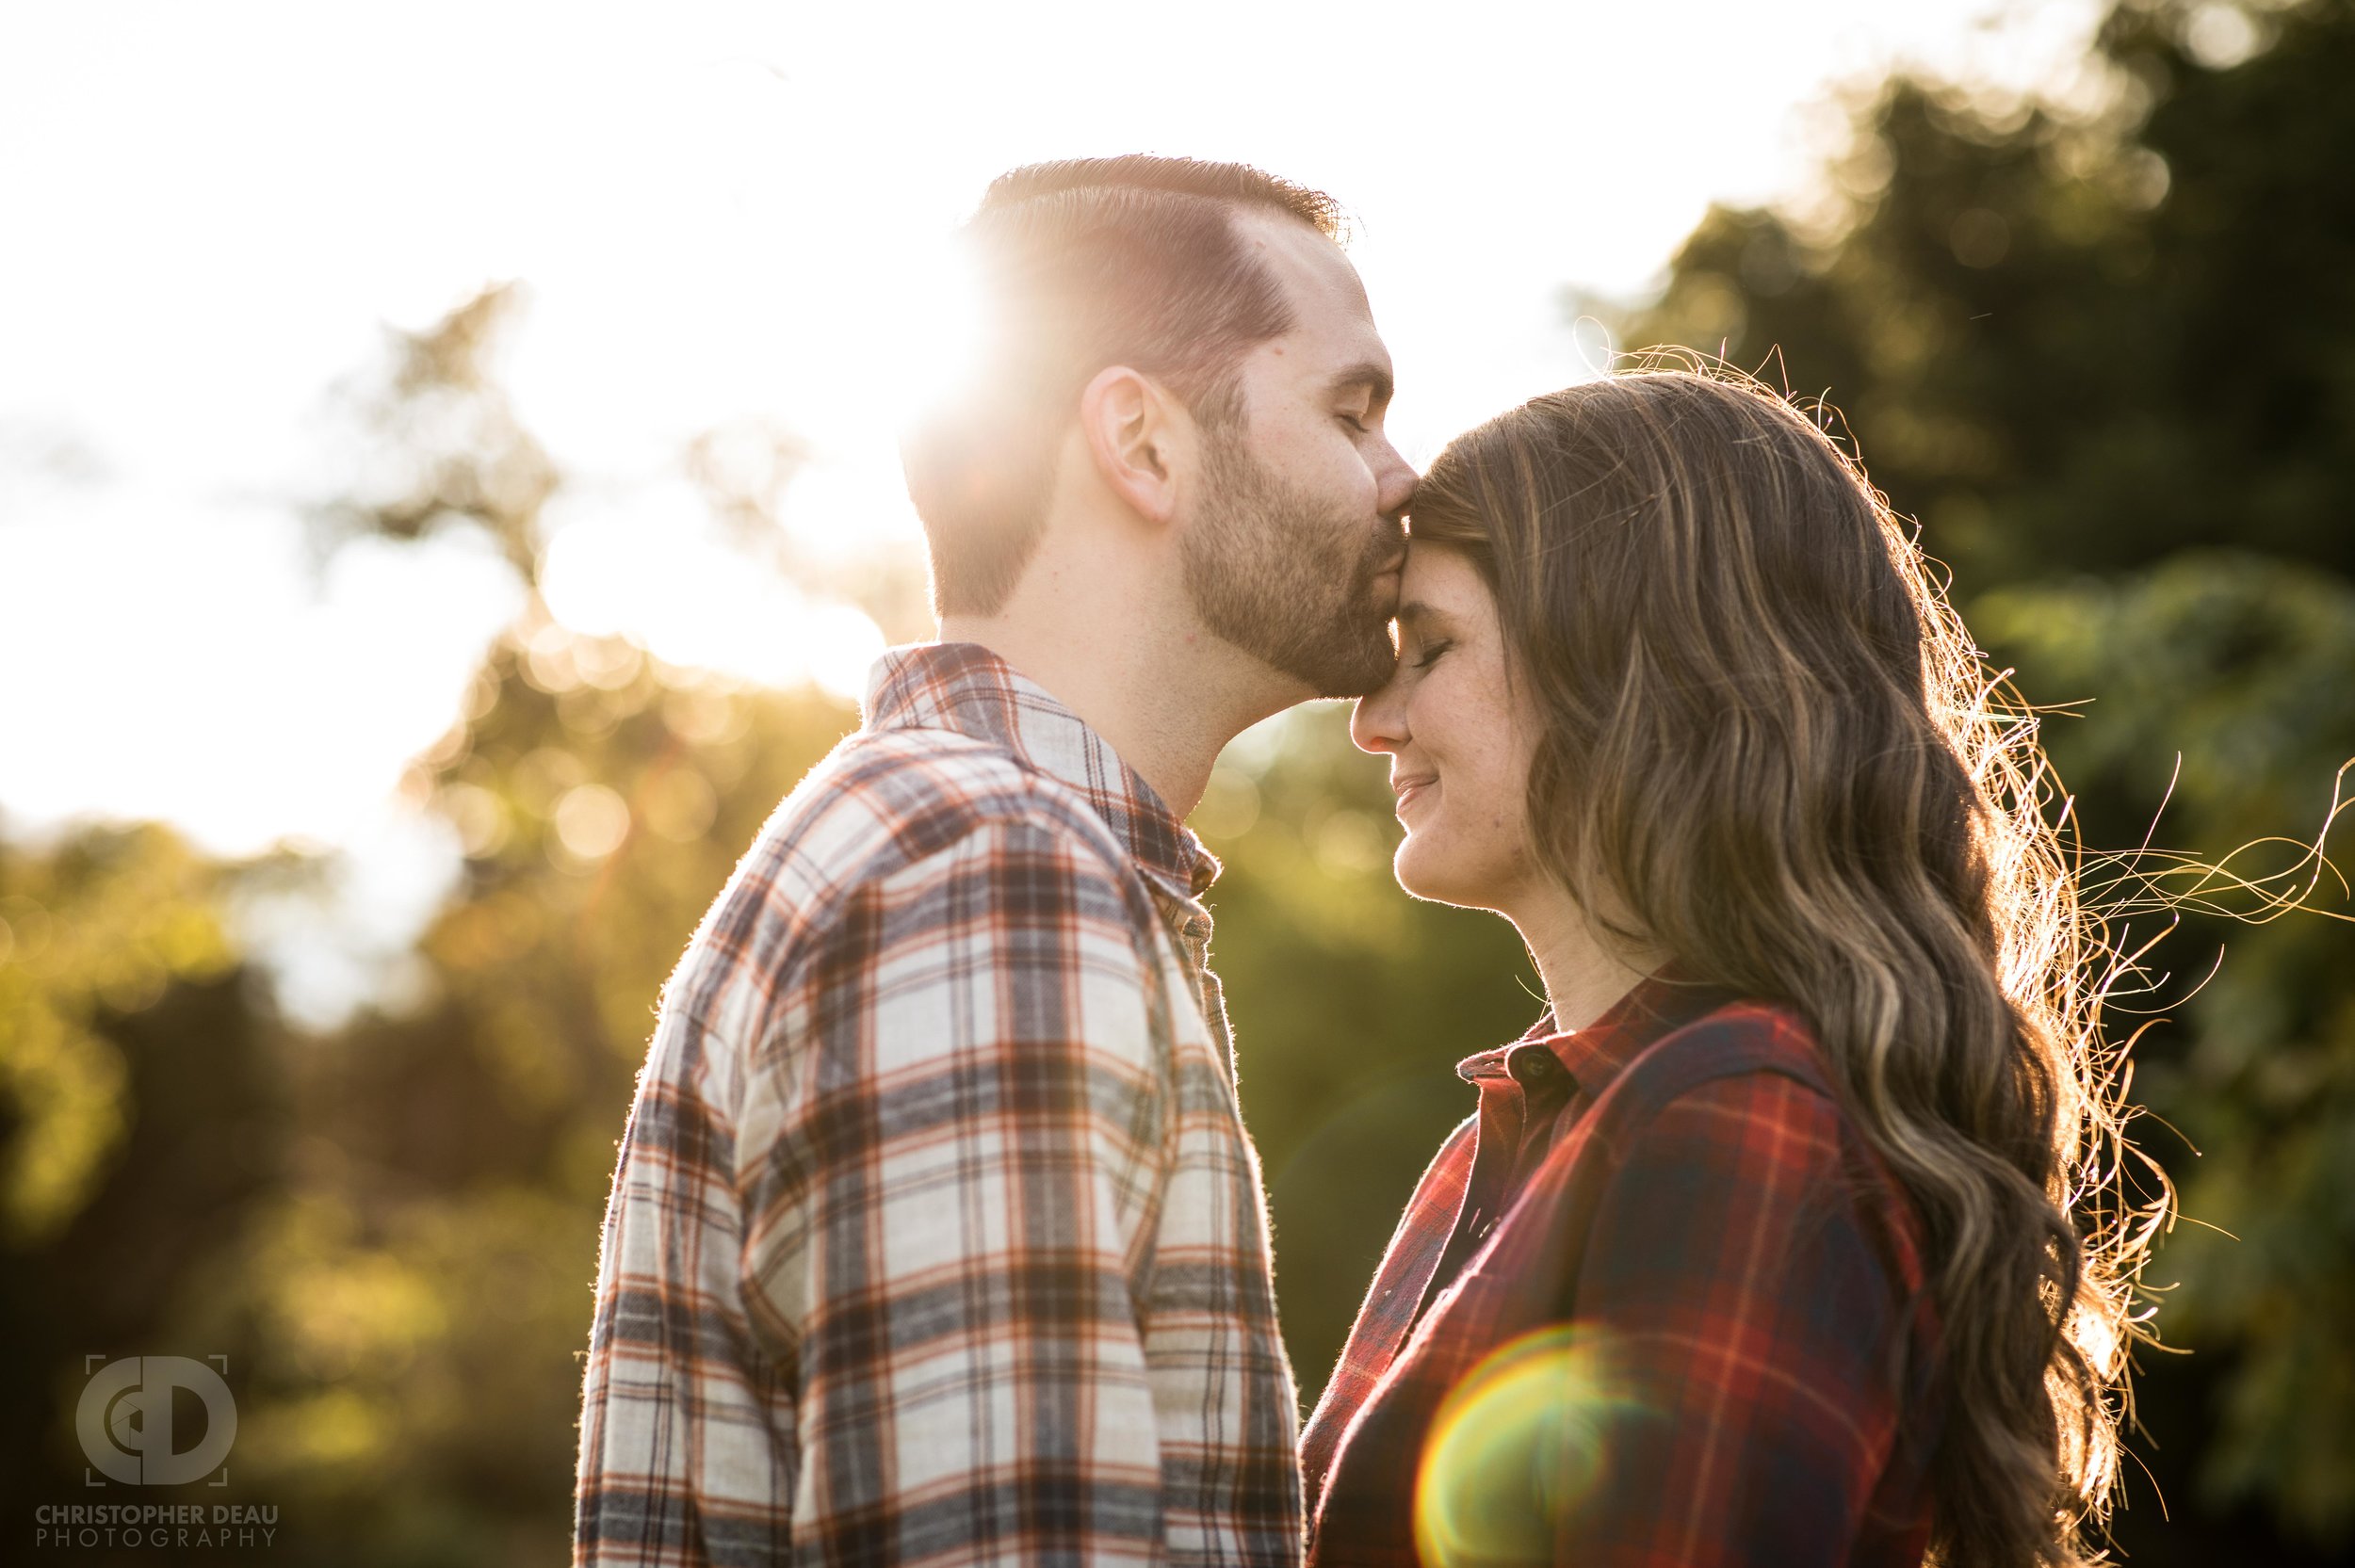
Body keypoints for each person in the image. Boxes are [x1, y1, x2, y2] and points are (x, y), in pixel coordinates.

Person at [573, 155, 1414, 1566]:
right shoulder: (990, 874)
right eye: (1354, 408)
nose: (1406, 476)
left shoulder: (963, 846)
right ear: (1143, 442)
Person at [1305, 367, 2155, 1568]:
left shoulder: (1740, 1110)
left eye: (1430, 647)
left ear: (1629, 665)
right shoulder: (1530, 1132)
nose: (1371, 720)